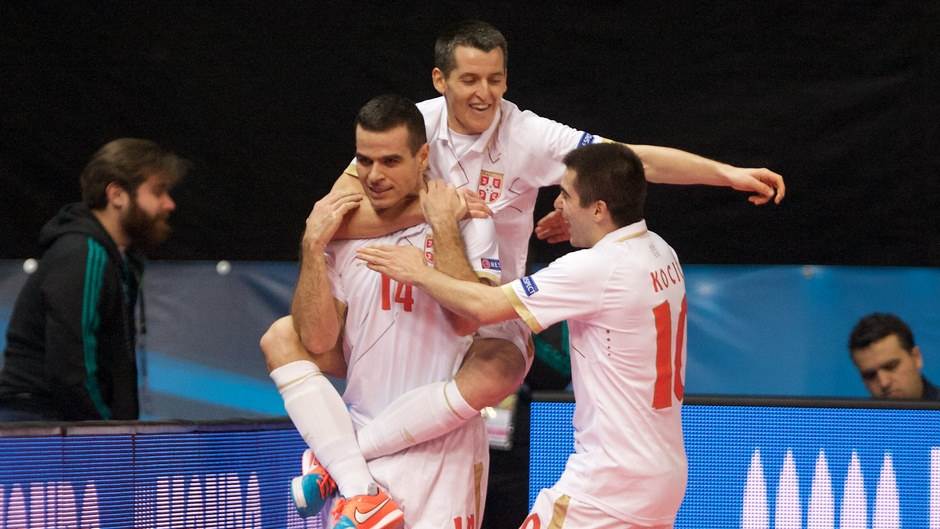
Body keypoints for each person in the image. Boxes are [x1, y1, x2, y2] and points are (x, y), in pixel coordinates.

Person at [332, 18, 785, 472]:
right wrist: (446, 209)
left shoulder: (527, 135)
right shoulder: (412, 126)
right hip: (410, 296)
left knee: (502, 370)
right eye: (469, 79)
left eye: (495, 79)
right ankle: (342, 460)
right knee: (290, 339)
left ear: (507, 79)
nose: (483, 94)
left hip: (489, 297)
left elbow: (631, 160)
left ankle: (345, 460)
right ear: (440, 80)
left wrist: (726, 175)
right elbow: (334, 214)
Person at [359, 142, 689, 529]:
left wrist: (420, 271)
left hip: (607, 485)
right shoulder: (661, 252)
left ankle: (348, 454)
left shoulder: (595, 268)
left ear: (599, 209)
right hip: (663, 476)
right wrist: (584, 226)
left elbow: (482, 308)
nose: (560, 206)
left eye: (566, 195)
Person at [260, 94, 500, 529]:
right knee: (281, 333)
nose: (374, 175)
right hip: (361, 452)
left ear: (422, 156)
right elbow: (316, 341)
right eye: (364, 161)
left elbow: (468, 319)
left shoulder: (465, 217)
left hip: (441, 449)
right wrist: (313, 248)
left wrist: (442, 227)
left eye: (390, 161)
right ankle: (353, 483)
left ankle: (336, 464)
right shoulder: (340, 230)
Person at [0, 138, 185, 421]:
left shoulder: (119, 259)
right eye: (158, 191)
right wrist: (106, 434)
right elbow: (71, 370)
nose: (169, 204)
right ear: (117, 195)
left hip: (62, 423)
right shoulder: (84, 254)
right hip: (40, 425)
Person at [848, 312, 938, 400]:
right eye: (870, 375)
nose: (884, 383)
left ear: (916, 358)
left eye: (891, 366)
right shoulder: (860, 414)